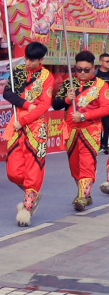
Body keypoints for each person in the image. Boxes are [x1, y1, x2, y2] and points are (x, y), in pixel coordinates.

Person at [2, 42, 53, 226]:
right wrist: (25, 105)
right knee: (13, 171)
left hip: (35, 125)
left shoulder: (47, 76)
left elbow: (44, 105)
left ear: (41, 59)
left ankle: (27, 207)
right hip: (16, 123)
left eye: (32, 60)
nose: (28, 63)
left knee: (33, 168)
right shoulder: (18, 71)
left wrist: (24, 119)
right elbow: (7, 93)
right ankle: (32, 194)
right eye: (26, 59)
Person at [53, 52, 109, 211]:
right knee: (74, 166)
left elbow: (106, 108)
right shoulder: (68, 83)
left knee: (87, 163)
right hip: (70, 130)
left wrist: (84, 116)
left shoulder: (101, 85)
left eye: (86, 70)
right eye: (79, 70)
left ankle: (83, 197)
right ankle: (85, 193)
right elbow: (55, 105)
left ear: (94, 68)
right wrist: (66, 99)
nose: (82, 73)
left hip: (90, 130)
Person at [97, 53, 109, 154]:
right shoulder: (95, 74)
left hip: (107, 104)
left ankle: (105, 145)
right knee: (96, 124)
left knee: (107, 125)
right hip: (96, 103)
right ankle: (98, 144)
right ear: (101, 62)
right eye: (107, 61)